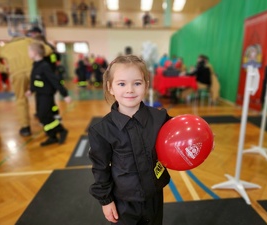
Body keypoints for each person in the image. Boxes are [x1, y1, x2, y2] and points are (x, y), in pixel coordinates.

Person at [88, 55, 171, 225]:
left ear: (146, 85)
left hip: (154, 198)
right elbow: (100, 169)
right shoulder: (101, 130)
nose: (130, 89)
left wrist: (202, 141)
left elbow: (180, 134)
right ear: (110, 87)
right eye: (121, 84)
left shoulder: (160, 117)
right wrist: (106, 200)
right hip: (123, 204)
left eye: (137, 83)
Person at [0, 35, 52, 136]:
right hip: (35, 72)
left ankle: (25, 128)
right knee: (41, 96)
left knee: (21, 100)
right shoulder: (29, 41)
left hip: (17, 74)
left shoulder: (5, 47)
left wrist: (4, 68)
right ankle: (46, 123)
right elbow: (48, 50)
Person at [25, 41, 71, 146]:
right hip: (39, 95)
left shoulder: (45, 66)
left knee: (44, 115)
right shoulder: (36, 65)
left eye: (29, 51)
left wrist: (65, 94)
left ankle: (61, 130)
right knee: (42, 117)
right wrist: (31, 90)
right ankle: (52, 136)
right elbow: (34, 79)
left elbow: (55, 80)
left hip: (46, 95)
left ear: (35, 52)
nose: (28, 53)